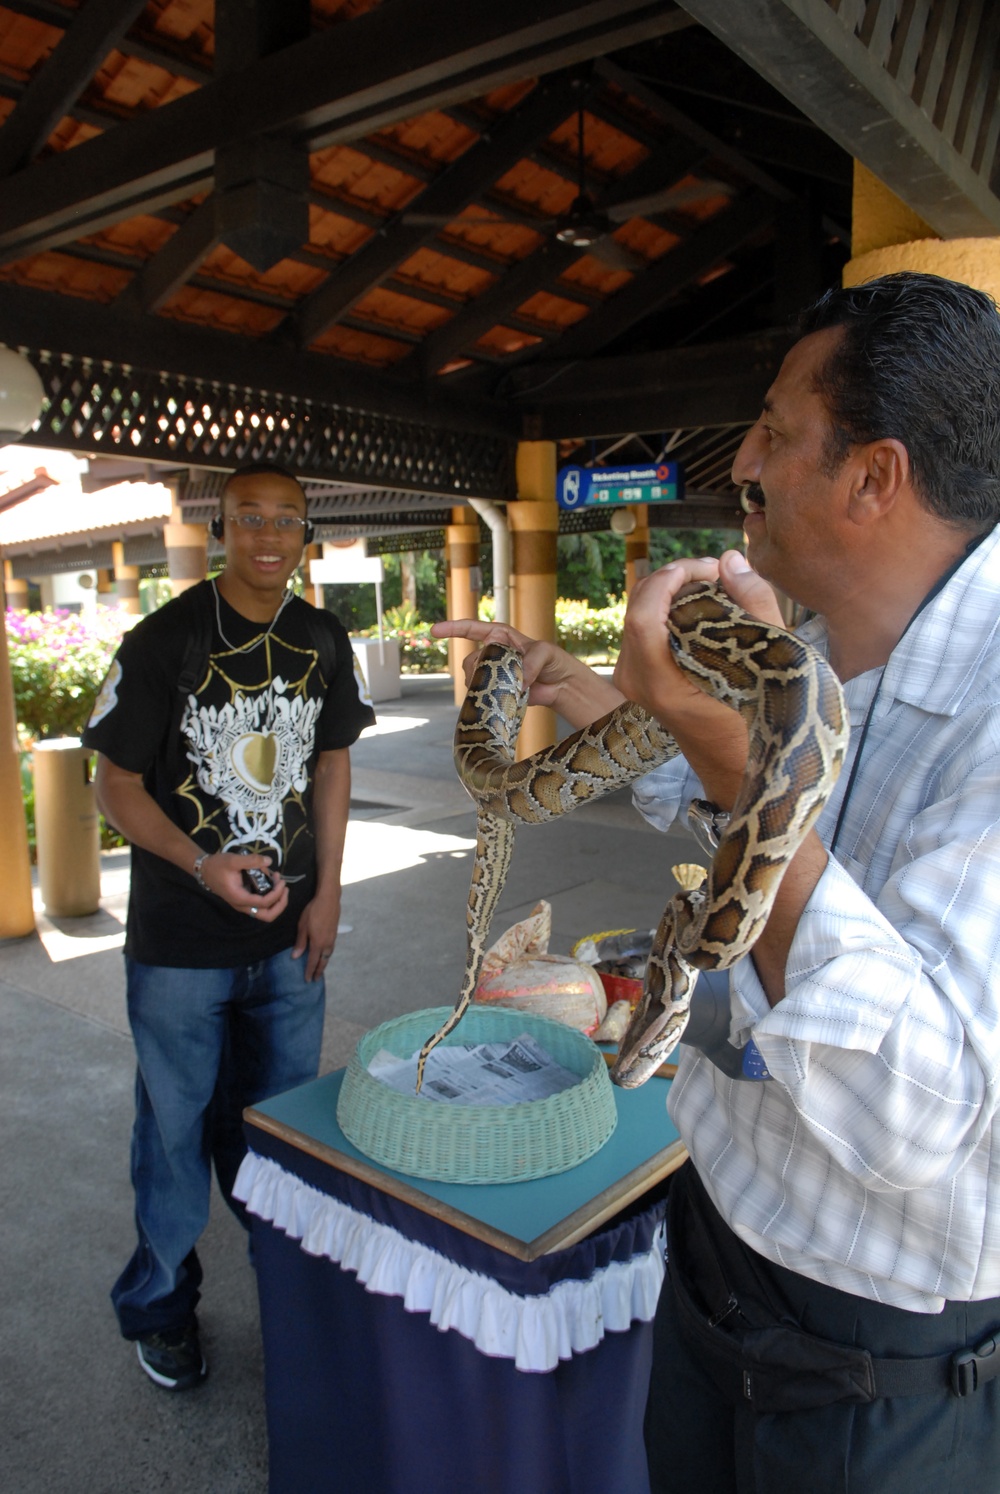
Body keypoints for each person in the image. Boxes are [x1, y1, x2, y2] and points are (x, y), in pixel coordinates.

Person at [433, 273, 1000, 1492]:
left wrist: (735, 756)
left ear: (873, 476)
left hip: (875, 1358)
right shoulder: (814, 653)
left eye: (773, 431)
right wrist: (584, 690)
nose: (739, 460)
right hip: (714, 1256)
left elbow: (914, 1114)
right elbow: (719, 779)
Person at [84, 461, 375, 1391]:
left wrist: (328, 890)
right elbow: (114, 787)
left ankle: (291, 1291)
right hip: (179, 945)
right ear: (221, 528)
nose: (267, 536)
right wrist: (199, 863)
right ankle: (162, 1305)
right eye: (250, 518)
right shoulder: (162, 641)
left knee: (284, 1128)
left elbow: (330, 765)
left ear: (303, 535)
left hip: (289, 938)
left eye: (286, 520)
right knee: (171, 1133)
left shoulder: (322, 636)